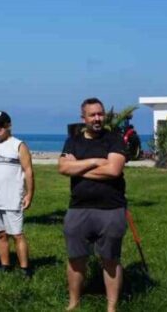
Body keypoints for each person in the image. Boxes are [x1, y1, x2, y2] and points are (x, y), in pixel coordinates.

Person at [58, 98, 129, 312]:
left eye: (100, 114)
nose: (97, 118)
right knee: (75, 258)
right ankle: (74, 303)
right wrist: (97, 161)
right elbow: (62, 168)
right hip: (79, 208)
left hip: (111, 209)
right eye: (92, 115)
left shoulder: (114, 139)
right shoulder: (73, 141)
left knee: (110, 259)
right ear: (83, 118)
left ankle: (111, 307)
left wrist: (78, 166)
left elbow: (114, 171)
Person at [0, 111, 34, 277]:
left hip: (12, 199)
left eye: (1, 124)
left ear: (8, 125)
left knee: (17, 235)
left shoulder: (18, 145)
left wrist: (29, 194)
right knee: (0, 234)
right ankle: (5, 266)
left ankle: (25, 269)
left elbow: (28, 171)